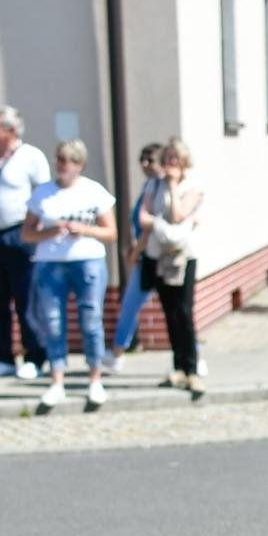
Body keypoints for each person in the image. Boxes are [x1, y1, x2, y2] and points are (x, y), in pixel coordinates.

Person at [23, 140, 118, 408]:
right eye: (59, 159)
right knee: (53, 322)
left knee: (91, 320)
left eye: (68, 160)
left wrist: (83, 230)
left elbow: (110, 232)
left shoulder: (93, 191)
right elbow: (27, 232)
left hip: (87, 260)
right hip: (50, 263)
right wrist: (51, 231)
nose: (62, 165)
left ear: (80, 164)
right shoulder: (43, 193)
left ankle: (95, 379)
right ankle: (57, 381)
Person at [0, 105, 50, 380]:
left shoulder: (30, 156)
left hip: (19, 234)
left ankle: (36, 356)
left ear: (11, 129)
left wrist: (36, 230)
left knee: (26, 298)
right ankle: (3, 357)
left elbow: (43, 196)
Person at [130, 136, 204, 396]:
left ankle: (192, 368)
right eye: (168, 158)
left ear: (184, 162)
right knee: (169, 313)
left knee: (184, 312)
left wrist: (172, 186)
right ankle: (178, 367)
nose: (171, 163)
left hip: (183, 258)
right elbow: (143, 217)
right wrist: (163, 225)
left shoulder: (192, 185)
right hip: (158, 255)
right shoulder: (153, 184)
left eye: (176, 159)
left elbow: (178, 214)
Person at [105, 143, 161, 372]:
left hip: (155, 257)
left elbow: (150, 227)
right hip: (145, 256)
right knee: (130, 304)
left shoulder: (161, 188)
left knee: (176, 309)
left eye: (150, 159)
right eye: (142, 159)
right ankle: (118, 352)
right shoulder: (148, 186)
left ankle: (192, 353)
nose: (145, 164)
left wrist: (136, 251)